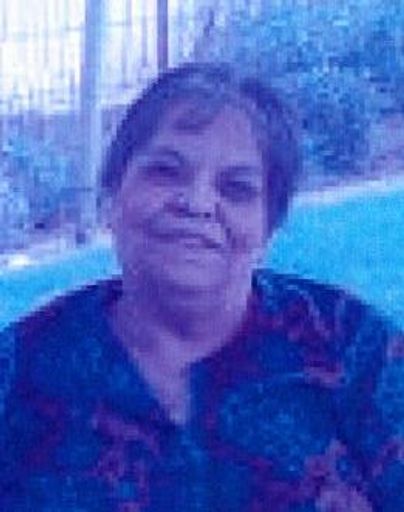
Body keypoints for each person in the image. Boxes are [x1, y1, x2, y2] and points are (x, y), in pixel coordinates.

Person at [0, 62, 403, 512]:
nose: (196, 204)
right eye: (165, 171)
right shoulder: (16, 370)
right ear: (112, 195)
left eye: (236, 188)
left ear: (268, 227)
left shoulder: (353, 348)